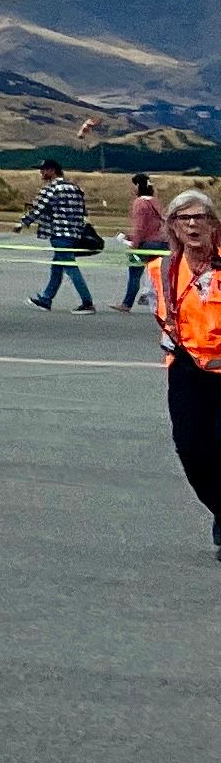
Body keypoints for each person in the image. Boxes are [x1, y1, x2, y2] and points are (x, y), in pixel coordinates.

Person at [153, 190, 221, 558]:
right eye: (184, 219)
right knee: (191, 448)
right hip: (186, 370)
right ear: (173, 227)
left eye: (200, 218)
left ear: (214, 224)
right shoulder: (161, 269)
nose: (193, 225)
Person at [24, 159, 99, 312]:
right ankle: (46, 299)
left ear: (52, 170)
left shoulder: (51, 188)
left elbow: (39, 209)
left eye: (43, 170)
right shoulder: (75, 188)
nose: (41, 173)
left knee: (71, 268)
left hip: (59, 233)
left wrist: (23, 223)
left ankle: (87, 302)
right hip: (74, 233)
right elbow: (83, 211)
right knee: (57, 268)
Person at [125, 173, 170, 315]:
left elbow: (140, 228)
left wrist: (133, 245)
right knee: (158, 272)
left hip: (147, 245)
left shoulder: (139, 203)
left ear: (137, 187)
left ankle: (127, 303)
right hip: (162, 243)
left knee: (134, 271)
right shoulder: (156, 202)